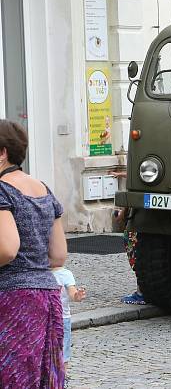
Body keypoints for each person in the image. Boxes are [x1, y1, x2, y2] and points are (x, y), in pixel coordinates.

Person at [0, 119, 68, 388]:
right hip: (48, 295)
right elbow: (59, 255)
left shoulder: (2, 190)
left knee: (14, 375)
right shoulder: (43, 189)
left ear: (2, 152)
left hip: (13, 296)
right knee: (43, 375)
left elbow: (7, 249)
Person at [51, 265, 87, 374]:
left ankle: (63, 376)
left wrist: (77, 296)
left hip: (62, 318)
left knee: (63, 349)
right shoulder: (40, 271)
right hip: (43, 317)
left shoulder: (65, 274)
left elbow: (72, 293)